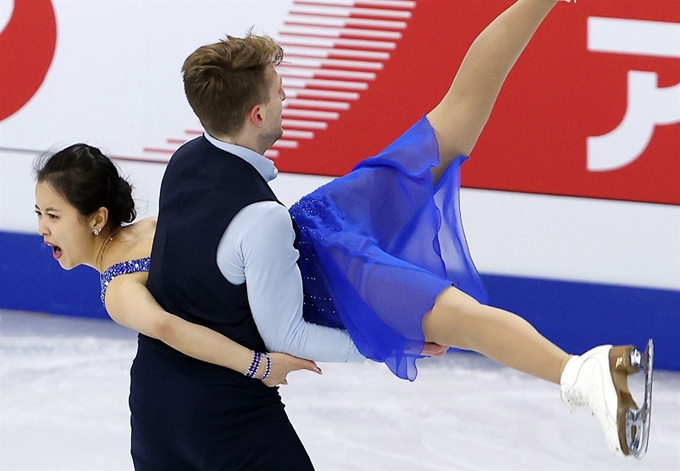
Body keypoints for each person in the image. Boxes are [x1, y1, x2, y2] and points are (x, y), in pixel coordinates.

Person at [37, 0, 652, 468]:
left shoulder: (190, 162)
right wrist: (383, 343)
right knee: (458, 307)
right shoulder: (249, 211)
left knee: (450, 130)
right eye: (278, 92)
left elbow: (175, 259)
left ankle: (590, 375)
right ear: (255, 115)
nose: (286, 98)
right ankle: (590, 375)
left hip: (323, 227)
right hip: (336, 268)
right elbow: (282, 330)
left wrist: (396, 344)